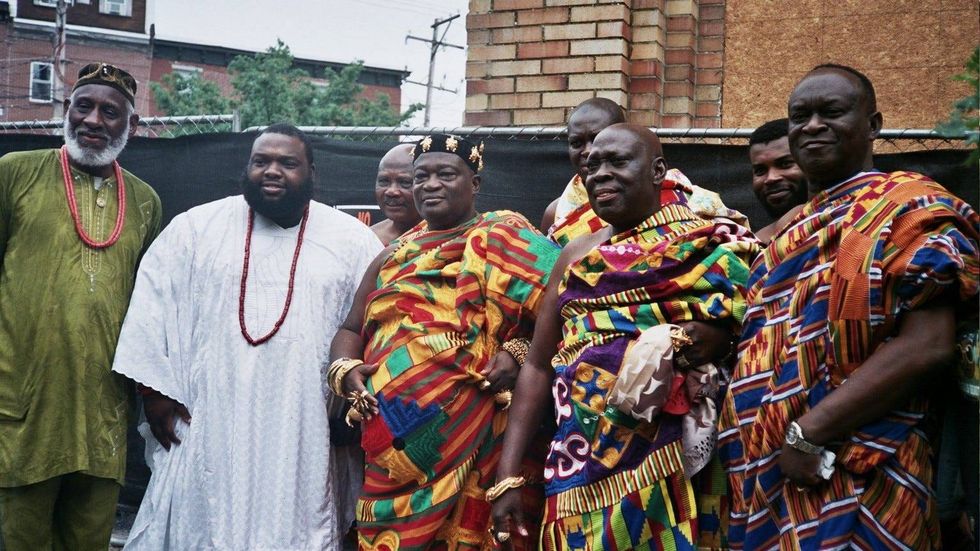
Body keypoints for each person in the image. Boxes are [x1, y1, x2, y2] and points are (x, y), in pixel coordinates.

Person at [718, 64, 979, 550]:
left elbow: (928, 345)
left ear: (874, 125)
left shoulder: (908, 208)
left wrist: (808, 431)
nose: (812, 126)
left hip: (861, 462)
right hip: (760, 467)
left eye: (831, 112)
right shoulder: (787, 235)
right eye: (800, 116)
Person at [111, 124, 382, 549]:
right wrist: (153, 392)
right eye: (261, 161)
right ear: (247, 168)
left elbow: (374, 323)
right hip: (211, 415)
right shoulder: (196, 229)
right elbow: (152, 305)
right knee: (206, 517)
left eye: (287, 163)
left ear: (312, 171)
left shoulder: (352, 240)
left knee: (300, 521)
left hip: (305, 423)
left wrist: (349, 405)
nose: (272, 171)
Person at [490, 124, 758, 550]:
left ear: (657, 171)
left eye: (618, 162)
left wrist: (716, 340)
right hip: (576, 459)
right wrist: (507, 476)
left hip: (674, 460)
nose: (599, 174)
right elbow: (538, 366)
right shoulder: (575, 254)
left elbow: (757, 338)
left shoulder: (707, 246)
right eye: (593, 165)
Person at [328, 134, 560, 550]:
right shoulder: (393, 254)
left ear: (474, 183)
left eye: (445, 174)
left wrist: (519, 350)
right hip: (389, 453)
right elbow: (350, 329)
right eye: (422, 176)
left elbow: (564, 309)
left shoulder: (508, 236)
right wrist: (344, 371)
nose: (429, 185)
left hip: (483, 431)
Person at [0, 63, 161, 550]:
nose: (92, 120)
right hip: (23, 401)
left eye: (109, 112)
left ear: (131, 126)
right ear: (66, 112)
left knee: (88, 540)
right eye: (82, 106)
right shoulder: (15, 174)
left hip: (101, 414)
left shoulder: (146, 201)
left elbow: (150, 305)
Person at [540, 97, 625, 245]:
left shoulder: (653, 200)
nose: (588, 151)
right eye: (576, 143)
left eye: (598, 138)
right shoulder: (556, 213)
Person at [747, 118, 808, 243]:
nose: (771, 178)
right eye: (760, 171)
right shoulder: (754, 243)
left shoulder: (843, 219)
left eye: (785, 164)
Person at [371, 143, 422, 245]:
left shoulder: (449, 238)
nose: (391, 191)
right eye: (384, 181)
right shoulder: (370, 238)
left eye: (405, 182)